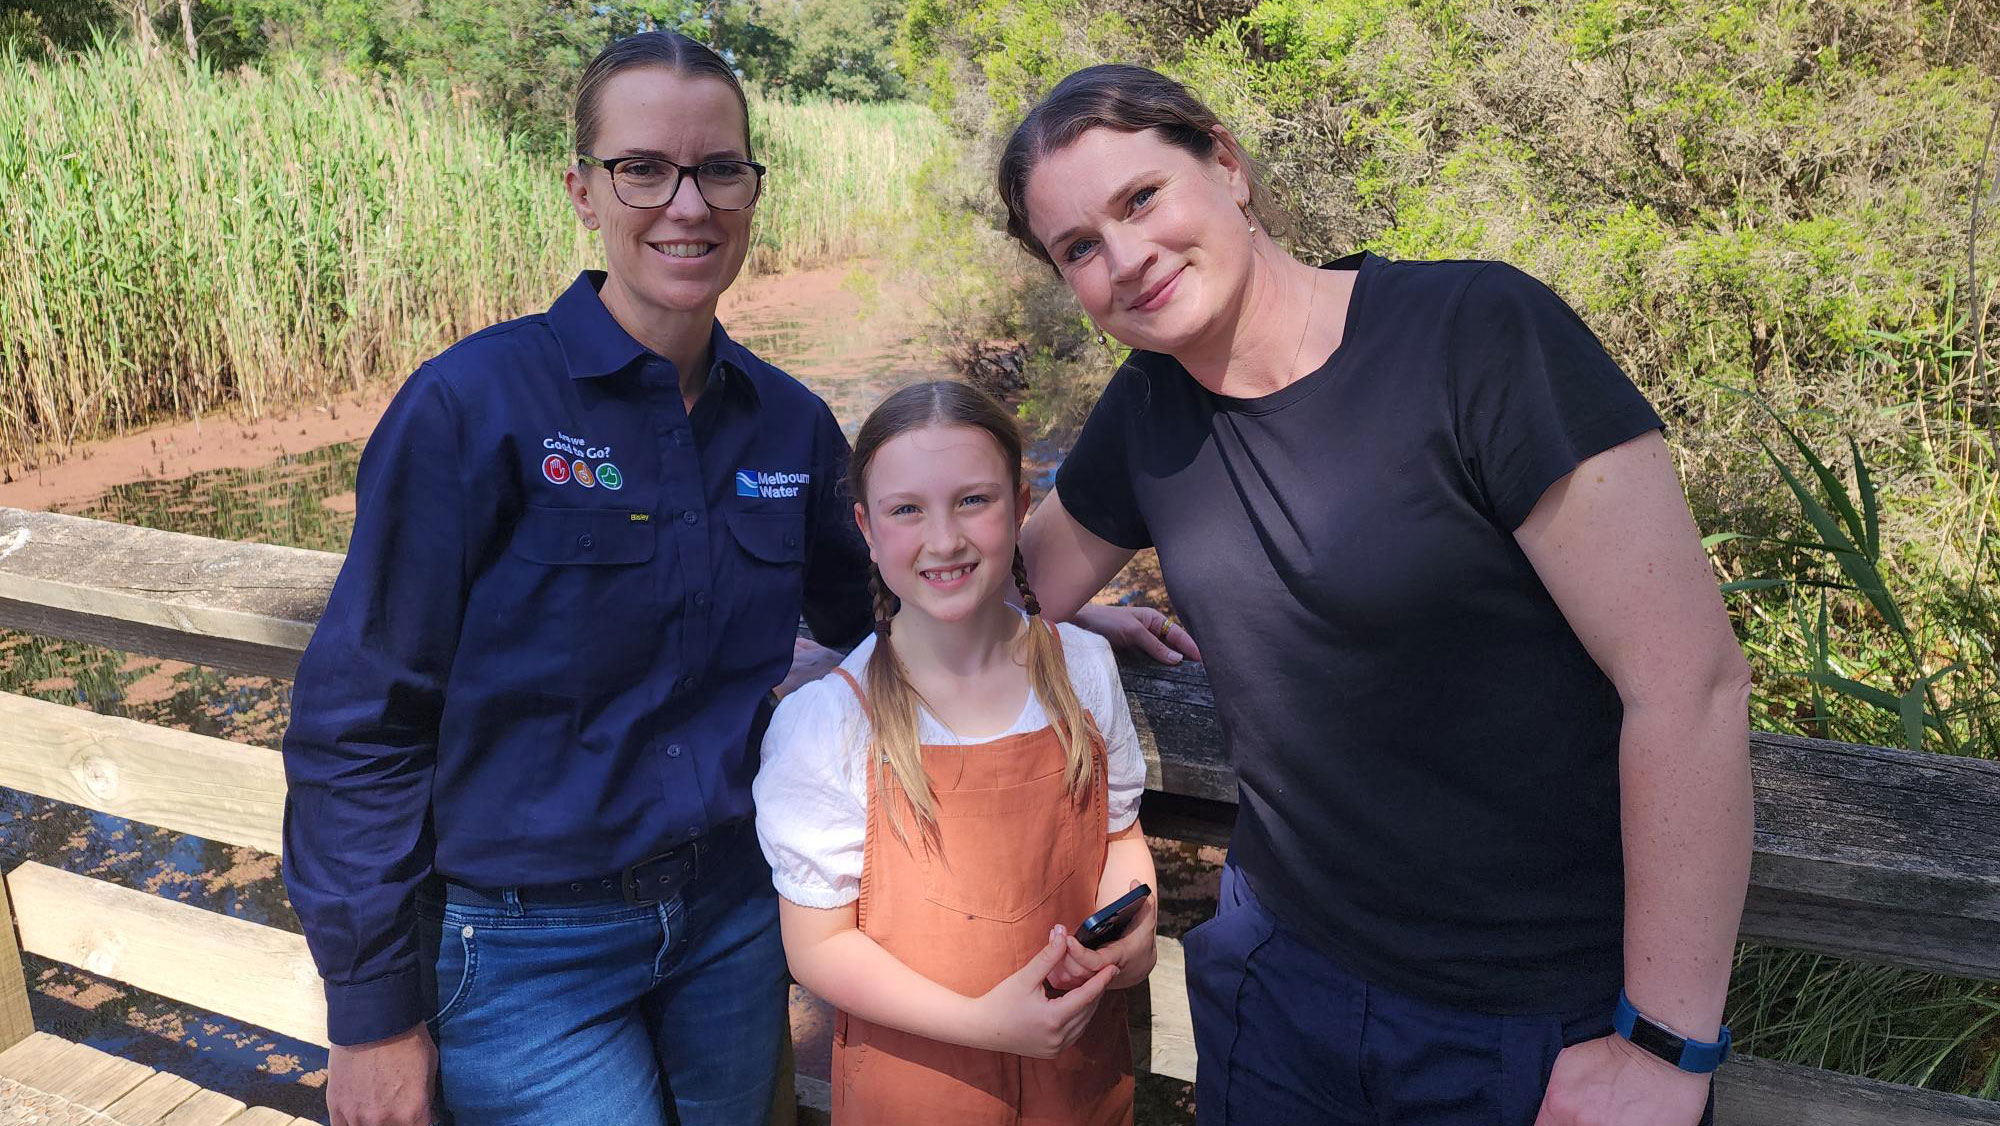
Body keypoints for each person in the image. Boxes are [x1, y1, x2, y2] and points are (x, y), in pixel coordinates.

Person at [1000, 65, 1755, 1126]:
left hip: (1525, 1016)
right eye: (1077, 246)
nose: (1124, 259)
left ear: (1226, 165)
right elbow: (1005, 584)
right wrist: (1075, 611)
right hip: (1276, 980)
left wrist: (1664, 1048)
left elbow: (1690, 685)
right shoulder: (1148, 412)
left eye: (1139, 199)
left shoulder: (1476, 335)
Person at [280, 31, 874, 1126]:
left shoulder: (789, 421)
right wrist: (372, 1014)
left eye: (719, 169)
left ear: (752, 188)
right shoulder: (471, 408)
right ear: (581, 190)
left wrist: (1036, 616)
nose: (686, 204)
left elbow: (869, 614)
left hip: (734, 916)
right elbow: (358, 720)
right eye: (642, 168)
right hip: (519, 948)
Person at [754, 380, 1158, 1125]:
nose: (944, 539)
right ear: (866, 530)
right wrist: (986, 1026)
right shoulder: (828, 724)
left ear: (1021, 505)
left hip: (1079, 1080)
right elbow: (818, 949)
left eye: (973, 500)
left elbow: (1121, 839)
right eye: (906, 510)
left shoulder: (1083, 669)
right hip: (917, 1091)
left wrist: (1132, 931)